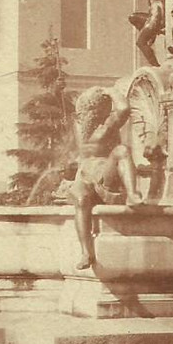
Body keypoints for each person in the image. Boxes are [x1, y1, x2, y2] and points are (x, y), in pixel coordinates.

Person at [70, 86, 143, 270]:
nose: (86, 115)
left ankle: (133, 195)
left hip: (104, 175)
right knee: (81, 199)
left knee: (122, 150)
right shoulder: (79, 125)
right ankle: (86, 252)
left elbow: (124, 109)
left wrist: (109, 91)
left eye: (90, 111)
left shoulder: (106, 127)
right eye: (84, 112)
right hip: (83, 178)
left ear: (99, 112)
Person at [127, 0, 166, 67]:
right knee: (133, 17)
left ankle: (156, 65)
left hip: (157, 17)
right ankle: (150, 35)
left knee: (140, 42)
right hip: (153, 16)